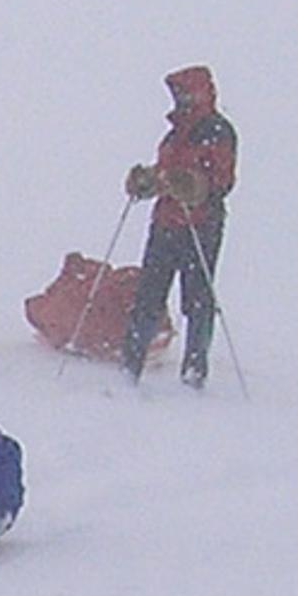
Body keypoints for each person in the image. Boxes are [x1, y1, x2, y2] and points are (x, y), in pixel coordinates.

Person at [122, 63, 239, 386]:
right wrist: (148, 182)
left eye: (183, 93)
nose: (178, 99)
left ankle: (194, 369)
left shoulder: (217, 131)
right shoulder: (176, 134)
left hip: (201, 225)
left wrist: (192, 185)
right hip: (166, 223)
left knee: (197, 299)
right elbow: (168, 175)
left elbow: (222, 181)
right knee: (148, 296)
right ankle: (130, 363)